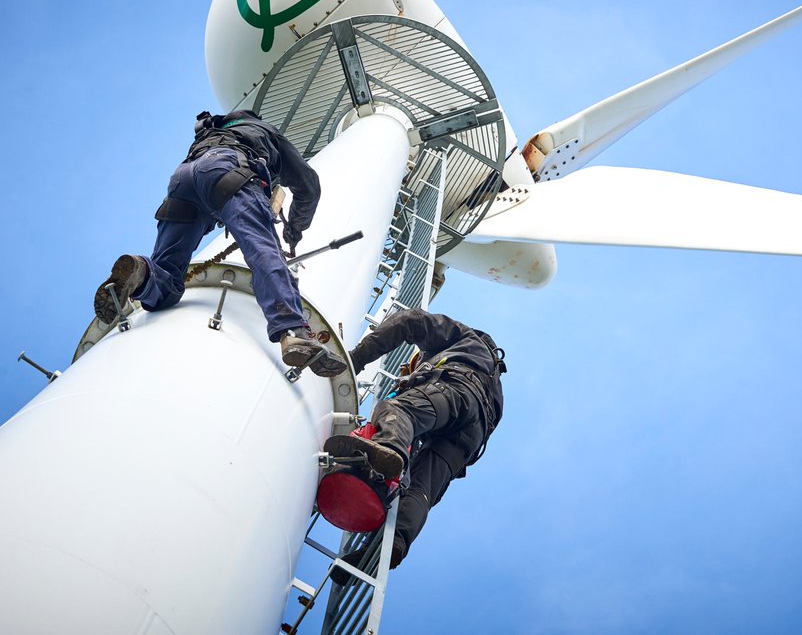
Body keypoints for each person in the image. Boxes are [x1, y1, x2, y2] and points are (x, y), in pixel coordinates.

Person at [93, 109, 335, 369]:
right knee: (263, 250)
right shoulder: (265, 131)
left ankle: (141, 272)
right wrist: (294, 230)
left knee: (166, 281)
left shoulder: (211, 129)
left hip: (183, 180)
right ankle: (294, 332)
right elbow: (308, 186)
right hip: (229, 170)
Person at [313, 309, 506, 578]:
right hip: (470, 437)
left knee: (396, 411)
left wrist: (355, 360)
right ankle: (393, 544)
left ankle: (389, 449)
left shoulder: (463, 338)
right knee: (420, 489)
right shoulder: (495, 388)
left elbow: (411, 320)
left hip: (454, 390)